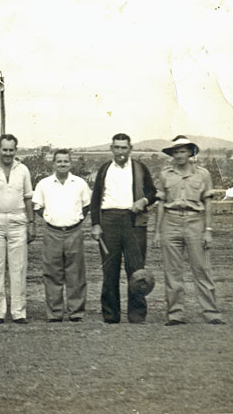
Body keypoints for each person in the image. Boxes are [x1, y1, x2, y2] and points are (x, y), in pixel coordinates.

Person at [152, 135, 225, 326]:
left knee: (202, 268)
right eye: (176, 151)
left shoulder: (203, 174)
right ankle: (175, 314)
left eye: (183, 151)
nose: (179, 155)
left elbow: (207, 203)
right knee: (172, 271)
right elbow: (160, 203)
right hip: (171, 221)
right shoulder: (165, 174)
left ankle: (211, 312)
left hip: (195, 222)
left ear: (191, 152)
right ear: (172, 154)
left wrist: (208, 230)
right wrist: (157, 232)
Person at [90, 133, 157, 324]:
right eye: (117, 147)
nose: (120, 151)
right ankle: (111, 315)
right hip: (109, 221)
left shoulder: (139, 168)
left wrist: (143, 201)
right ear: (111, 148)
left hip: (133, 221)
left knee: (136, 270)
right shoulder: (104, 169)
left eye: (124, 148)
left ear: (130, 148)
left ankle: (137, 315)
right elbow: (95, 200)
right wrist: (95, 224)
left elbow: (152, 193)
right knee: (110, 271)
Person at [32, 149, 91, 323]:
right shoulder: (44, 184)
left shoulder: (79, 183)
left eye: (66, 161)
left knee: (76, 273)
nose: (63, 164)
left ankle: (76, 312)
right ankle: (55, 313)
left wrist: (77, 219)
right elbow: (38, 207)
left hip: (74, 232)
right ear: (53, 163)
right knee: (52, 273)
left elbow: (86, 206)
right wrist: (50, 218)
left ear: (70, 163)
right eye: (59, 161)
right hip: (52, 233)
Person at [0, 134, 34, 324]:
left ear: (16, 150)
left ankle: (19, 312)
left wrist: (31, 223)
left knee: (18, 268)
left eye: (11, 150)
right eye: (4, 149)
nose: (8, 153)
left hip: (18, 220)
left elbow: (28, 197)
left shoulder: (23, 170)